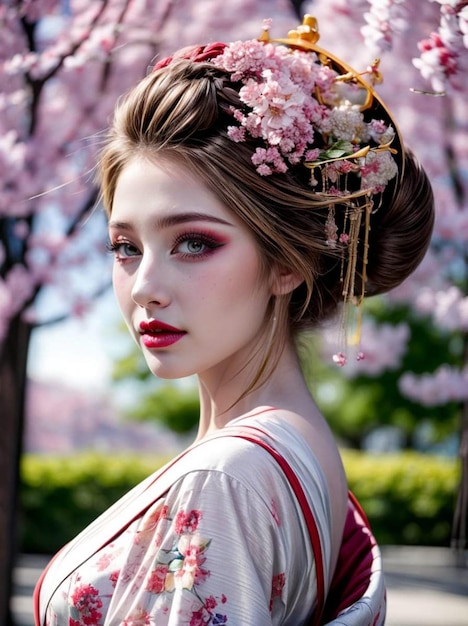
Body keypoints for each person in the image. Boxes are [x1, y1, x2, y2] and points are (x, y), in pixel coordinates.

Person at [34, 15, 434, 626]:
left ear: (288, 263)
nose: (144, 287)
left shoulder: (228, 478)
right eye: (125, 247)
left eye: (194, 243)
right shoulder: (296, 448)